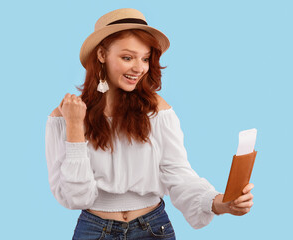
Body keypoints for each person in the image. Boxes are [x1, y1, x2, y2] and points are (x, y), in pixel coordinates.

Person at [45, 8, 254, 239]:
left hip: (153, 229)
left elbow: (178, 174)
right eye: (127, 57)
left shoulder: (157, 110)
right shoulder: (65, 116)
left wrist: (219, 203)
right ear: (102, 55)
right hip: (95, 231)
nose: (139, 68)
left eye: (145, 58)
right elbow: (76, 198)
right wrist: (75, 127)